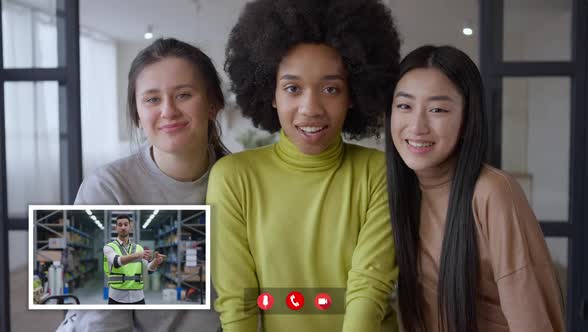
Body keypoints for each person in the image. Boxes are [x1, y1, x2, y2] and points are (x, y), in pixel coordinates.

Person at [206, 0, 401, 331]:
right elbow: (237, 302)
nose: (310, 108)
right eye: (292, 88)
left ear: (353, 94)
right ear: (270, 93)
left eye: (330, 88)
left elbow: (370, 289)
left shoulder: (378, 172)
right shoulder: (234, 177)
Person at [385, 45, 565, 331]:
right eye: (404, 106)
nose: (417, 126)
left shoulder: (492, 191)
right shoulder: (397, 192)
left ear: (467, 118)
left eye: (437, 109)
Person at [57, 37, 229, 332]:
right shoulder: (107, 189)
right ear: (137, 114)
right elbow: (103, 323)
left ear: (213, 103)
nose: (168, 111)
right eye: (152, 99)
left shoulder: (240, 182)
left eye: (184, 95)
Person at [103, 215, 166, 304]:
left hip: (138, 296)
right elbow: (117, 262)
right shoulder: (109, 247)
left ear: (130, 227)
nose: (123, 227)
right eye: (120, 225)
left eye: (126, 224)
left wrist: (155, 262)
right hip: (117, 297)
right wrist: (137, 255)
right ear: (116, 228)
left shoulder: (139, 248)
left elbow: (149, 269)